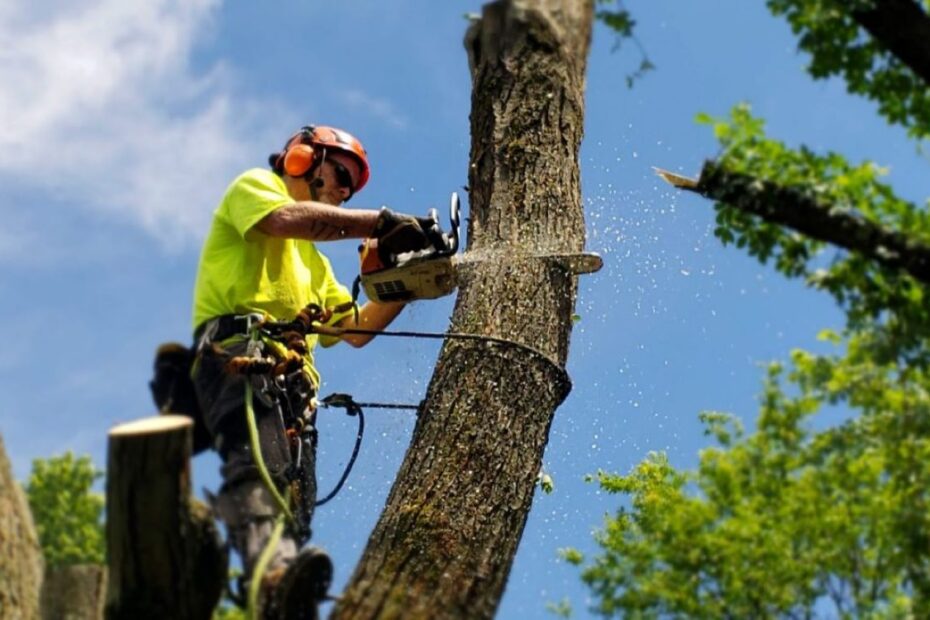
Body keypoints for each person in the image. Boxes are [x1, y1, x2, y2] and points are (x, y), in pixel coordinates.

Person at [190, 125, 433, 619]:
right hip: (239, 355)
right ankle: (271, 579)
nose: (344, 191)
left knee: (296, 502)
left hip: (295, 388)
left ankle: (285, 595)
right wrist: (380, 222)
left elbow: (356, 330)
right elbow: (287, 221)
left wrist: (407, 281)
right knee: (260, 467)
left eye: (352, 188)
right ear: (301, 158)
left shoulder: (316, 266)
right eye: (340, 174)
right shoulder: (257, 189)